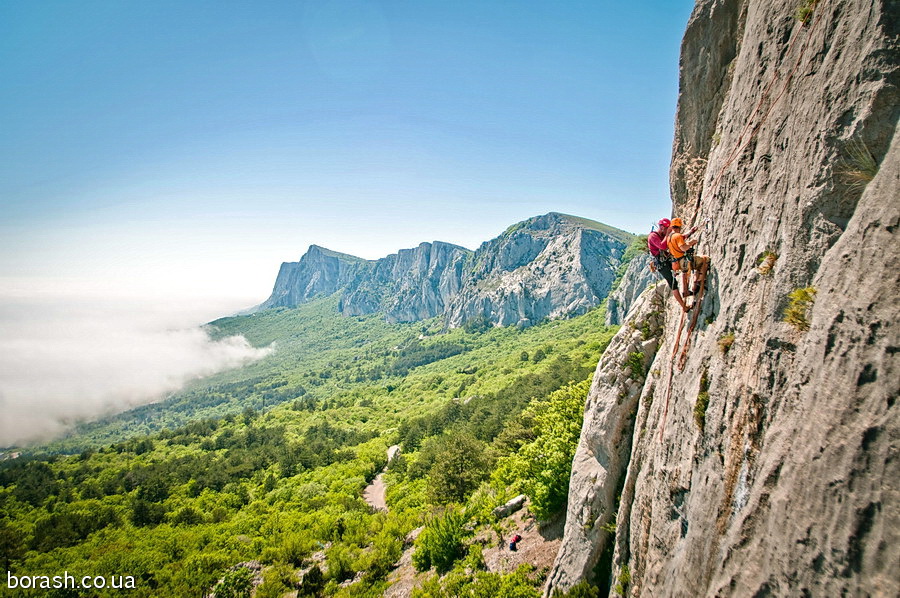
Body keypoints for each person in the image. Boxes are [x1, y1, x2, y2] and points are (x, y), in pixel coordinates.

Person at [648, 218, 690, 312]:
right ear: (662, 227)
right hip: (661, 264)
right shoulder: (653, 236)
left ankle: (686, 291)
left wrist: (688, 233)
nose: (669, 230)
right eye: (668, 228)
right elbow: (662, 246)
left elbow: (674, 239)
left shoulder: (663, 235)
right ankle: (684, 306)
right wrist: (667, 234)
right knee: (673, 283)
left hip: (666, 260)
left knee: (684, 266)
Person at [666, 218, 708, 307]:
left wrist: (691, 232)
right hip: (683, 260)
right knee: (704, 261)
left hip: (677, 262)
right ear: (679, 226)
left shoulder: (669, 237)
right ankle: (698, 282)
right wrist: (691, 243)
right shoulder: (677, 236)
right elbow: (683, 248)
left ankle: (685, 290)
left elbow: (680, 240)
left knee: (685, 273)